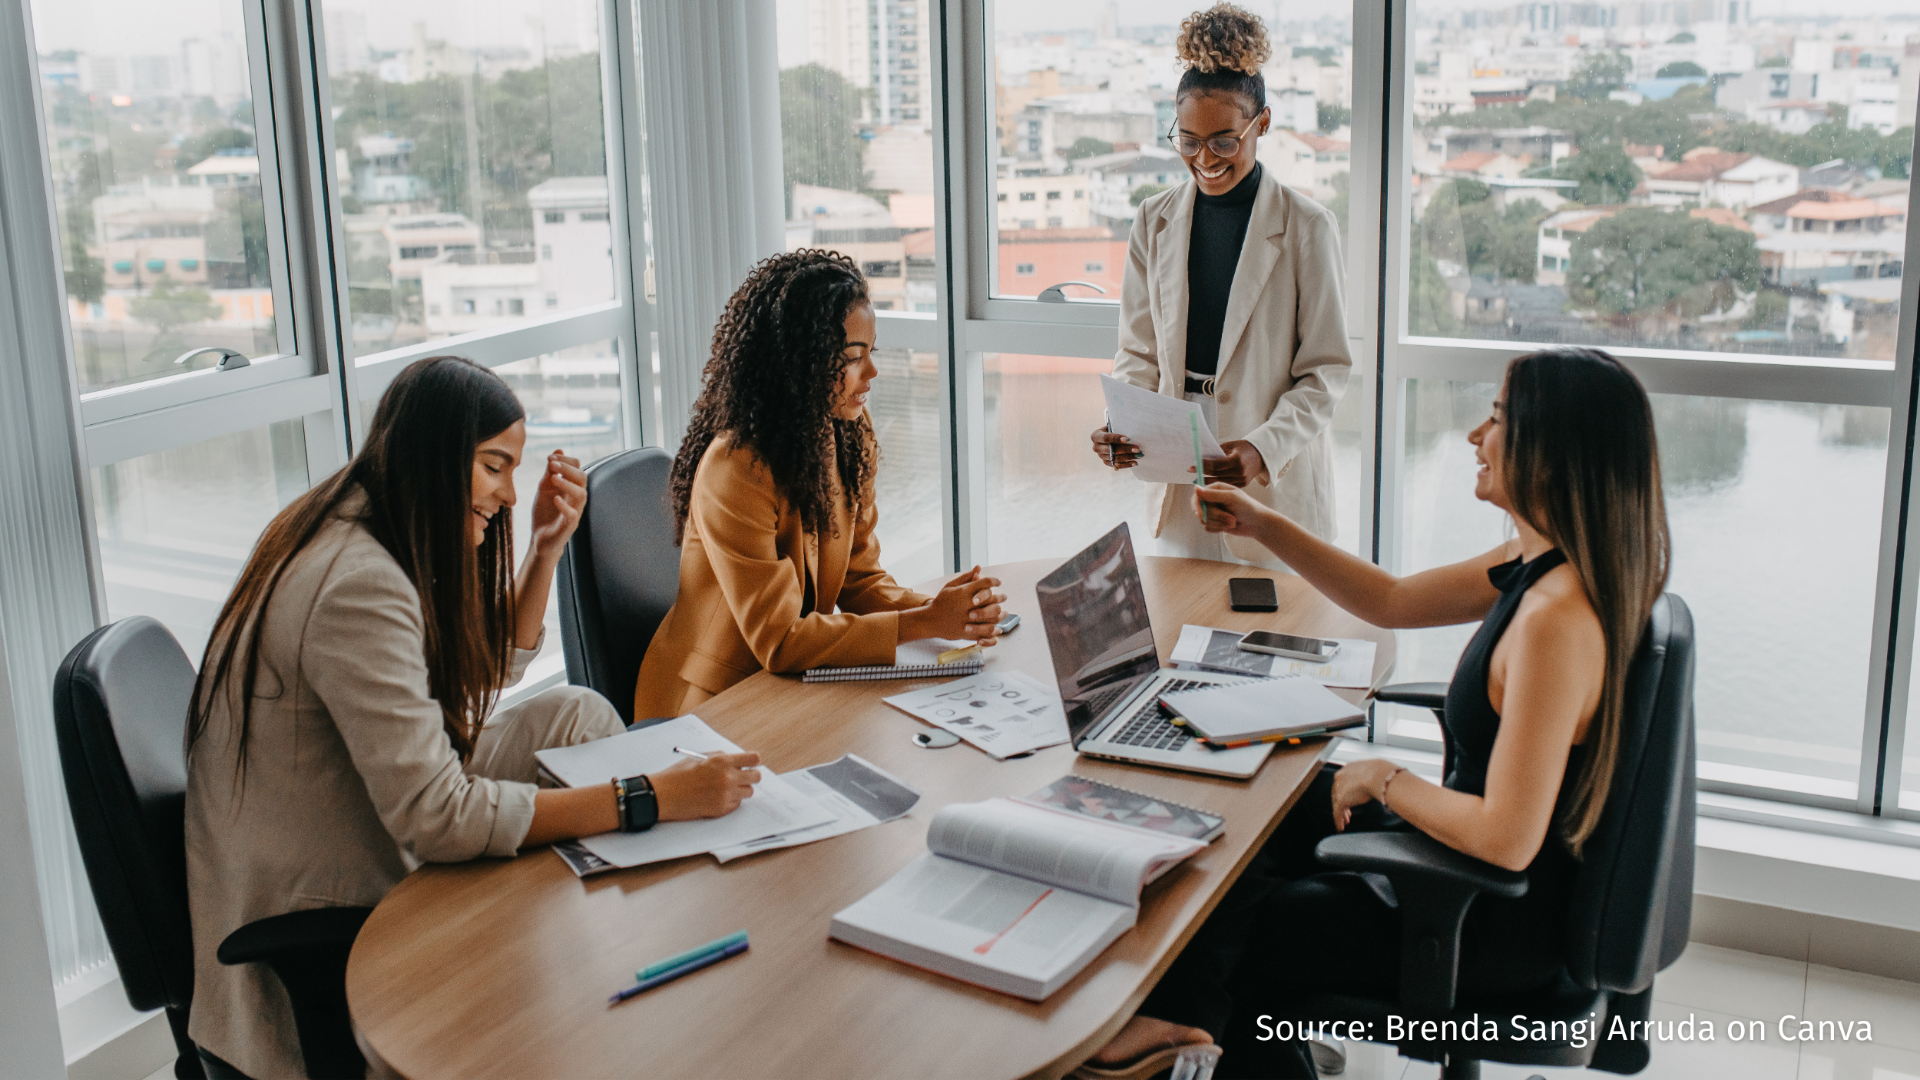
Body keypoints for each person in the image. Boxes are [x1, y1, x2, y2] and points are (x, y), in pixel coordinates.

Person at [1078, 348, 1671, 1079]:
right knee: (1252, 809)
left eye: (1495, 419)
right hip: (1475, 879)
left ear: (1551, 448)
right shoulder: (1540, 560)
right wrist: (1263, 526)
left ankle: (1196, 1027)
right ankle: (1189, 1021)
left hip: (1486, 924)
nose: (1473, 437)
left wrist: (1384, 777)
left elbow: (1509, 839)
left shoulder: (1557, 620)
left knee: (1247, 929)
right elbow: (1391, 599)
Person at [184, 357, 762, 1078]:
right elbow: (438, 816)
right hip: (329, 911)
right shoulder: (355, 586)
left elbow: (467, 683)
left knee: (575, 714)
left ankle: (623, 922)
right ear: (436, 453)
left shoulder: (358, 523)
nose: (507, 494)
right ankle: (613, 960)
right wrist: (648, 797)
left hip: (352, 821)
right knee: (612, 785)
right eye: (494, 466)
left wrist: (546, 548)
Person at [634, 249, 1007, 719]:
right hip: (713, 702)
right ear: (799, 362)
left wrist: (946, 611)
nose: (871, 373)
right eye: (853, 357)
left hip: (792, 684)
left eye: (872, 352)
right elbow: (780, 638)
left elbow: (858, 580)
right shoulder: (736, 467)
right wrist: (925, 621)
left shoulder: (847, 432)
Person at [1090, 2, 1350, 572]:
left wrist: (1262, 449)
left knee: (1276, 640)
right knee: (1183, 628)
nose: (1204, 159)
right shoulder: (1151, 221)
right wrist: (1122, 426)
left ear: (1263, 124)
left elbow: (1326, 371)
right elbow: (1137, 350)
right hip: (1178, 472)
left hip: (1277, 489)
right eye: (1188, 141)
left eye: (1225, 141)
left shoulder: (1308, 227)